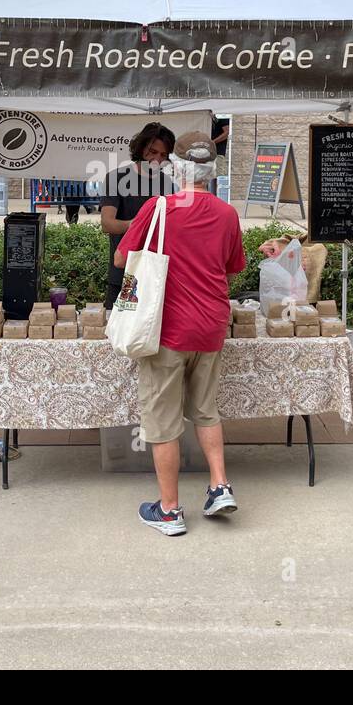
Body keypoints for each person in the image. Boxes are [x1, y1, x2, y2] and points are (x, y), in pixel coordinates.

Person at [115, 131, 246, 536]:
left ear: (176, 168)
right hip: (211, 326)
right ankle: (219, 486)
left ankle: (170, 510)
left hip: (166, 328)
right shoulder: (227, 214)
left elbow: (123, 258)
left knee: (163, 419)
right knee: (206, 409)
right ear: (211, 171)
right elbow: (233, 267)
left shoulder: (159, 208)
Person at [100, 122, 177, 308]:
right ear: (141, 148)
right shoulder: (117, 178)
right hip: (124, 273)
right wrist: (136, 224)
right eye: (153, 151)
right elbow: (107, 224)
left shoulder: (166, 182)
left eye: (163, 155)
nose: (157, 159)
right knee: (119, 332)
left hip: (156, 275)